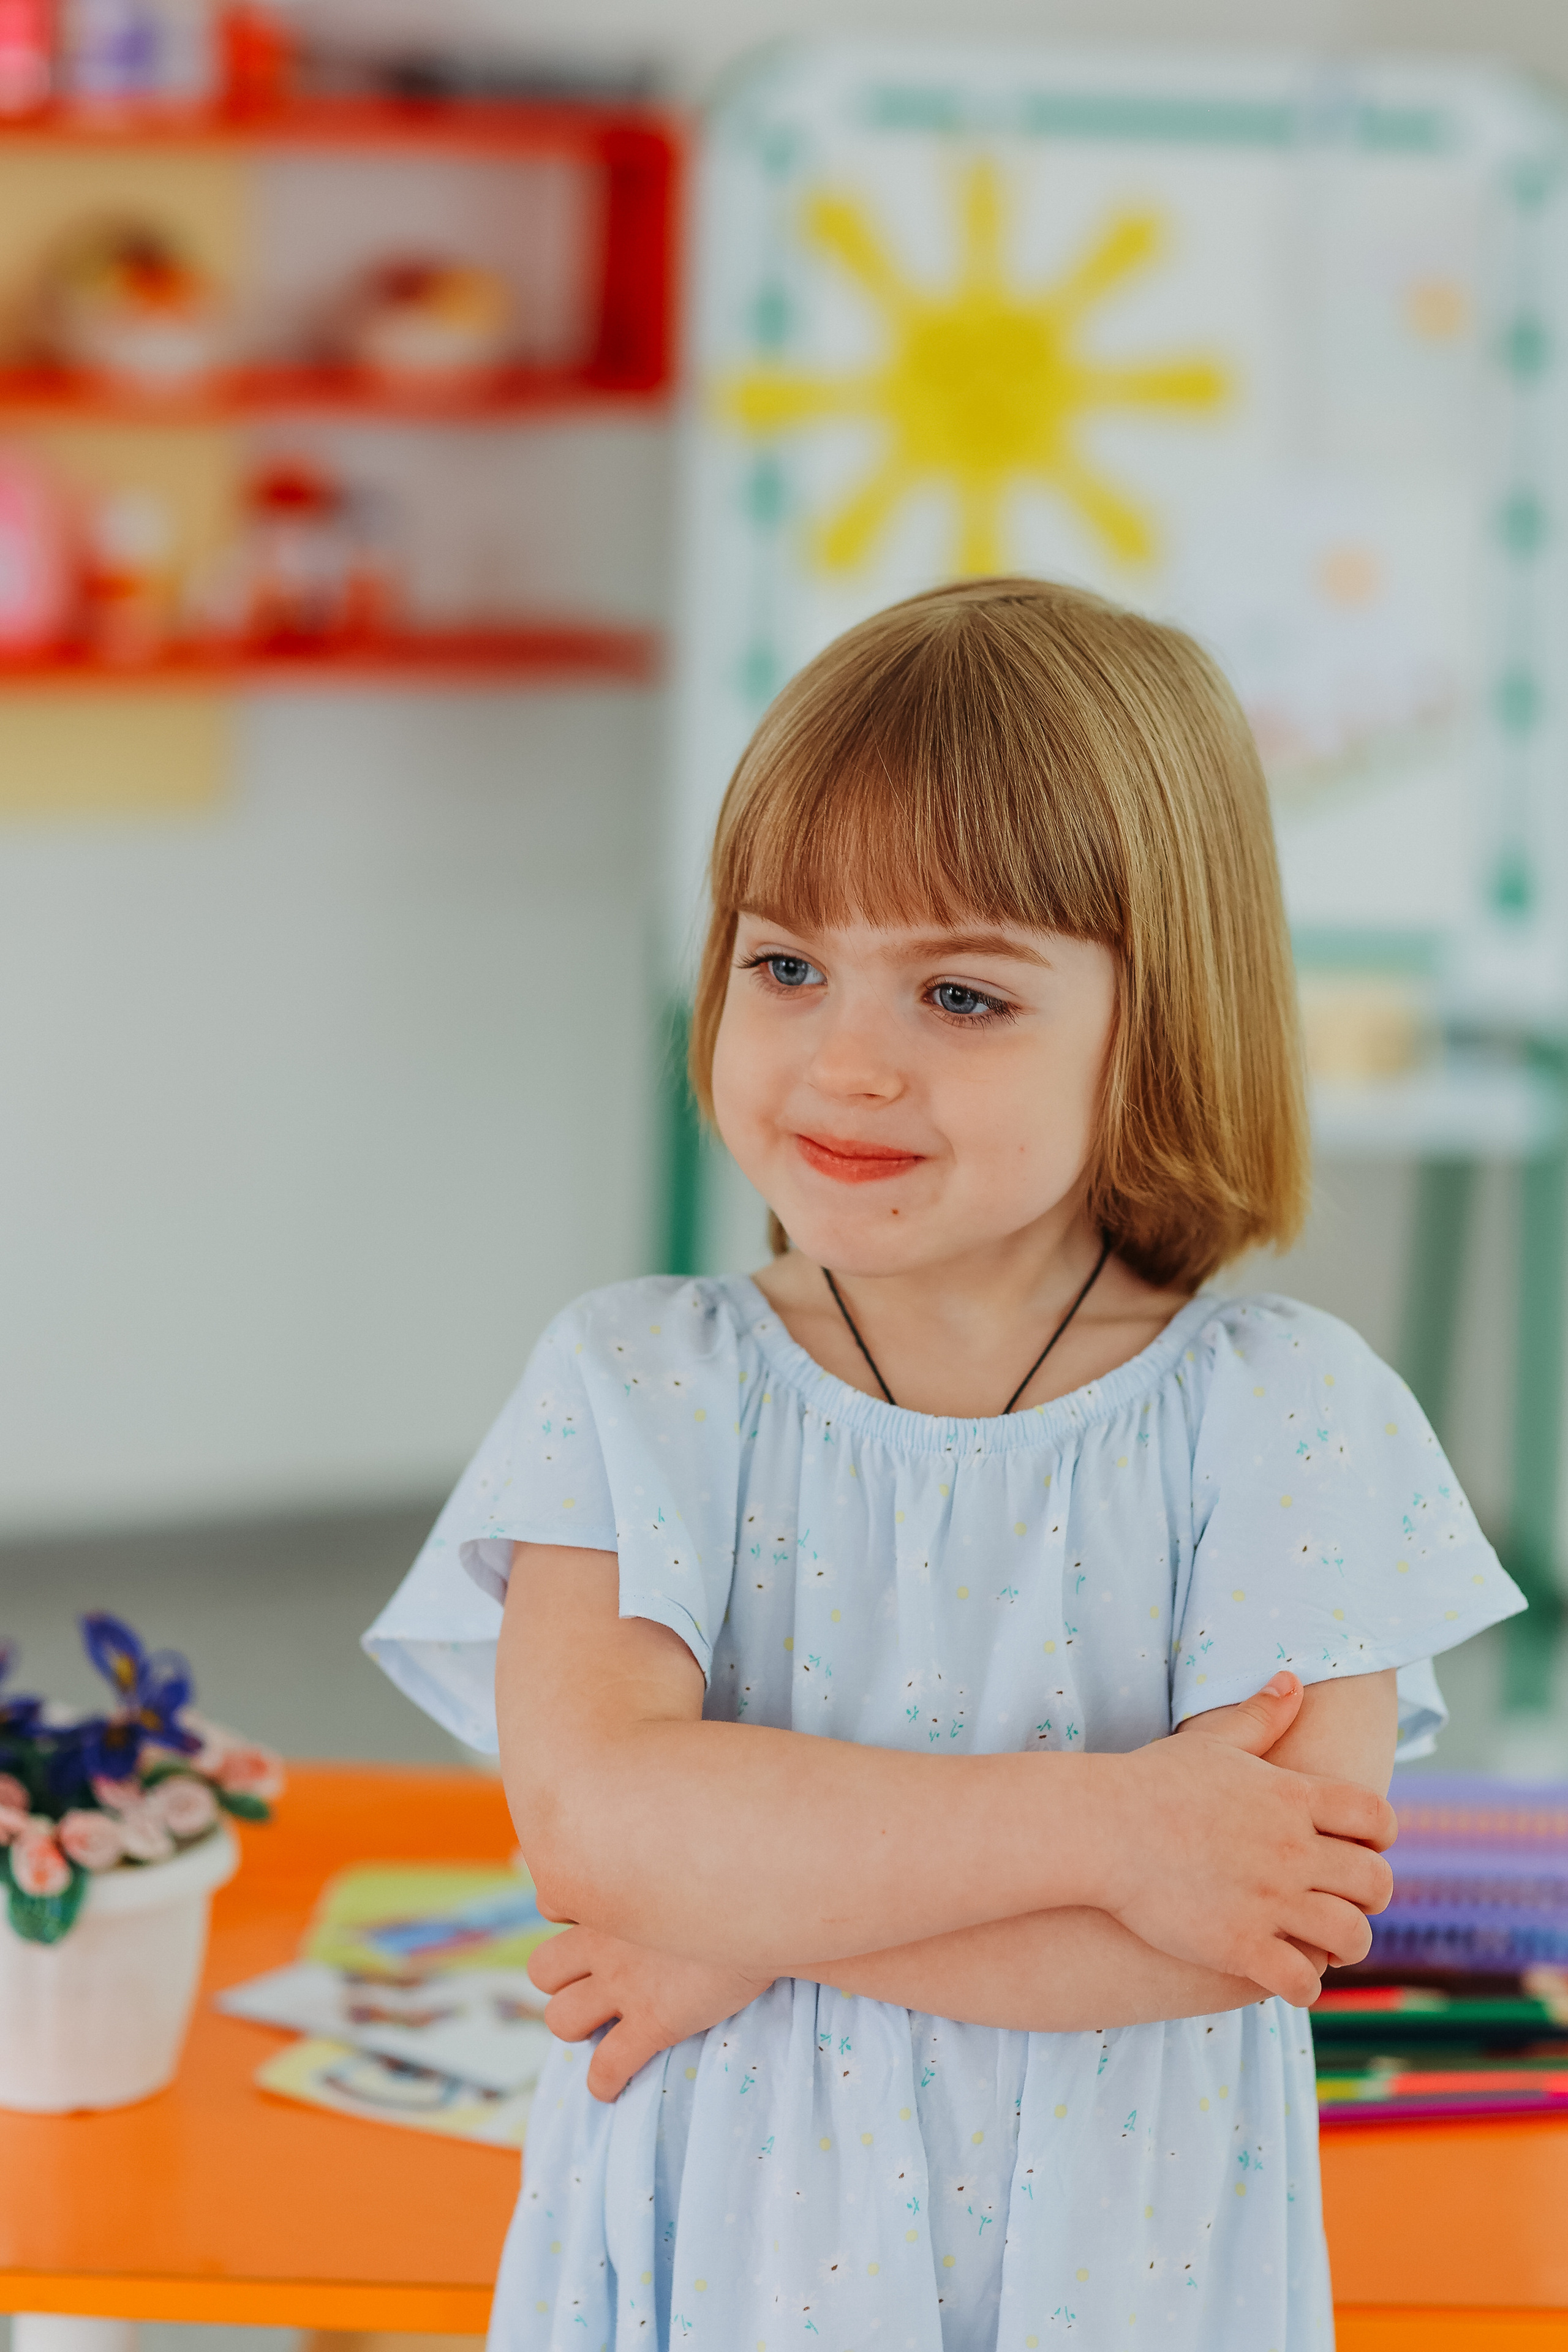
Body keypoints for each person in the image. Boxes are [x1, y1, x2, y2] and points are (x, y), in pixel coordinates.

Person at [365, 576, 1525, 2352]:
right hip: (727, 2263)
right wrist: (1115, 1824)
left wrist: (744, 1923)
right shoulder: (633, 1383)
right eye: (788, 963)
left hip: (1124, 2275)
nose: (844, 1058)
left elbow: (1235, 1932)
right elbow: (602, 1826)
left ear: (1162, 1019)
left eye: (964, 996)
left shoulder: (1295, 1417)